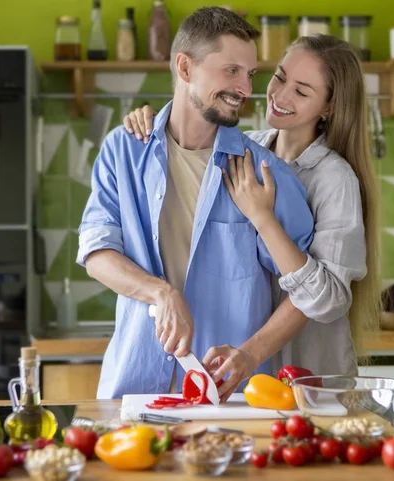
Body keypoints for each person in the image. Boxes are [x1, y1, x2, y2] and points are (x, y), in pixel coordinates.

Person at [122, 33, 381, 400]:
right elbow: (189, 123)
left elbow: (327, 300)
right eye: (279, 77)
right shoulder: (246, 147)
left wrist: (263, 218)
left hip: (311, 381)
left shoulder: (334, 179)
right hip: (251, 380)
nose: (280, 94)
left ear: (329, 107)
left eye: (302, 91)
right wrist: (151, 123)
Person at [77, 7, 314, 399]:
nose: (244, 88)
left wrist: (250, 355)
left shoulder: (265, 174)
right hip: (134, 393)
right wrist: (161, 293)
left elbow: (305, 291)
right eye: (231, 71)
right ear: (185, 68)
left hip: (231, 400)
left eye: (250, 74)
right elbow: (96, 252)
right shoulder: (123, 150)